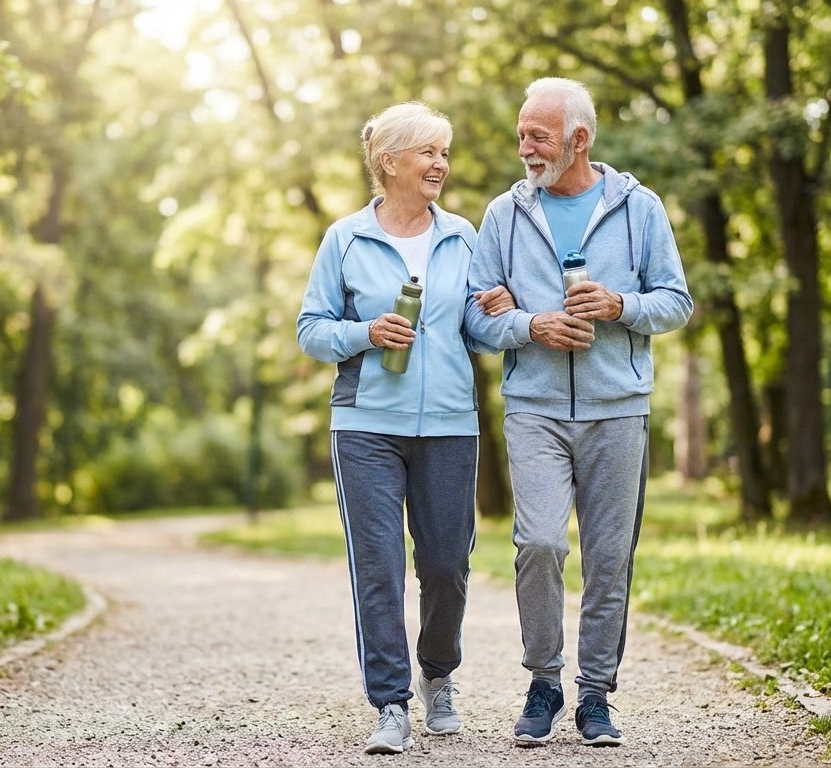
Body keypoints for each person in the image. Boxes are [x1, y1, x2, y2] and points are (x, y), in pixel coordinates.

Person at [463, 78, 694, 747]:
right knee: (538, 543)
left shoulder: (639, 208)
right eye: (521, 135)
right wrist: (529, 325)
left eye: (538, 136)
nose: (525, 148)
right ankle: (543, 683)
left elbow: (676, 301)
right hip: (533, 408)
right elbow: (474, 318)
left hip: (617, 409)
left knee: (608, 558)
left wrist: (621, 305)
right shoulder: (503, 215)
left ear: (578, 139)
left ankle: (595, 695)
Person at [295, 101, 514, 755]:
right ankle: (390, 702)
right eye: (427, 152)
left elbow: (478, 332)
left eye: (444, 153)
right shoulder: (345, 239)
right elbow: (311, 330)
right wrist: (366, 332)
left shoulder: (463, 235)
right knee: (379, 567)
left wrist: (502, 309)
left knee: (446, 565)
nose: (440, 164)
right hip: (365, 426)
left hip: (448, 423)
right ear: (389, 162)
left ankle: (438, 675)